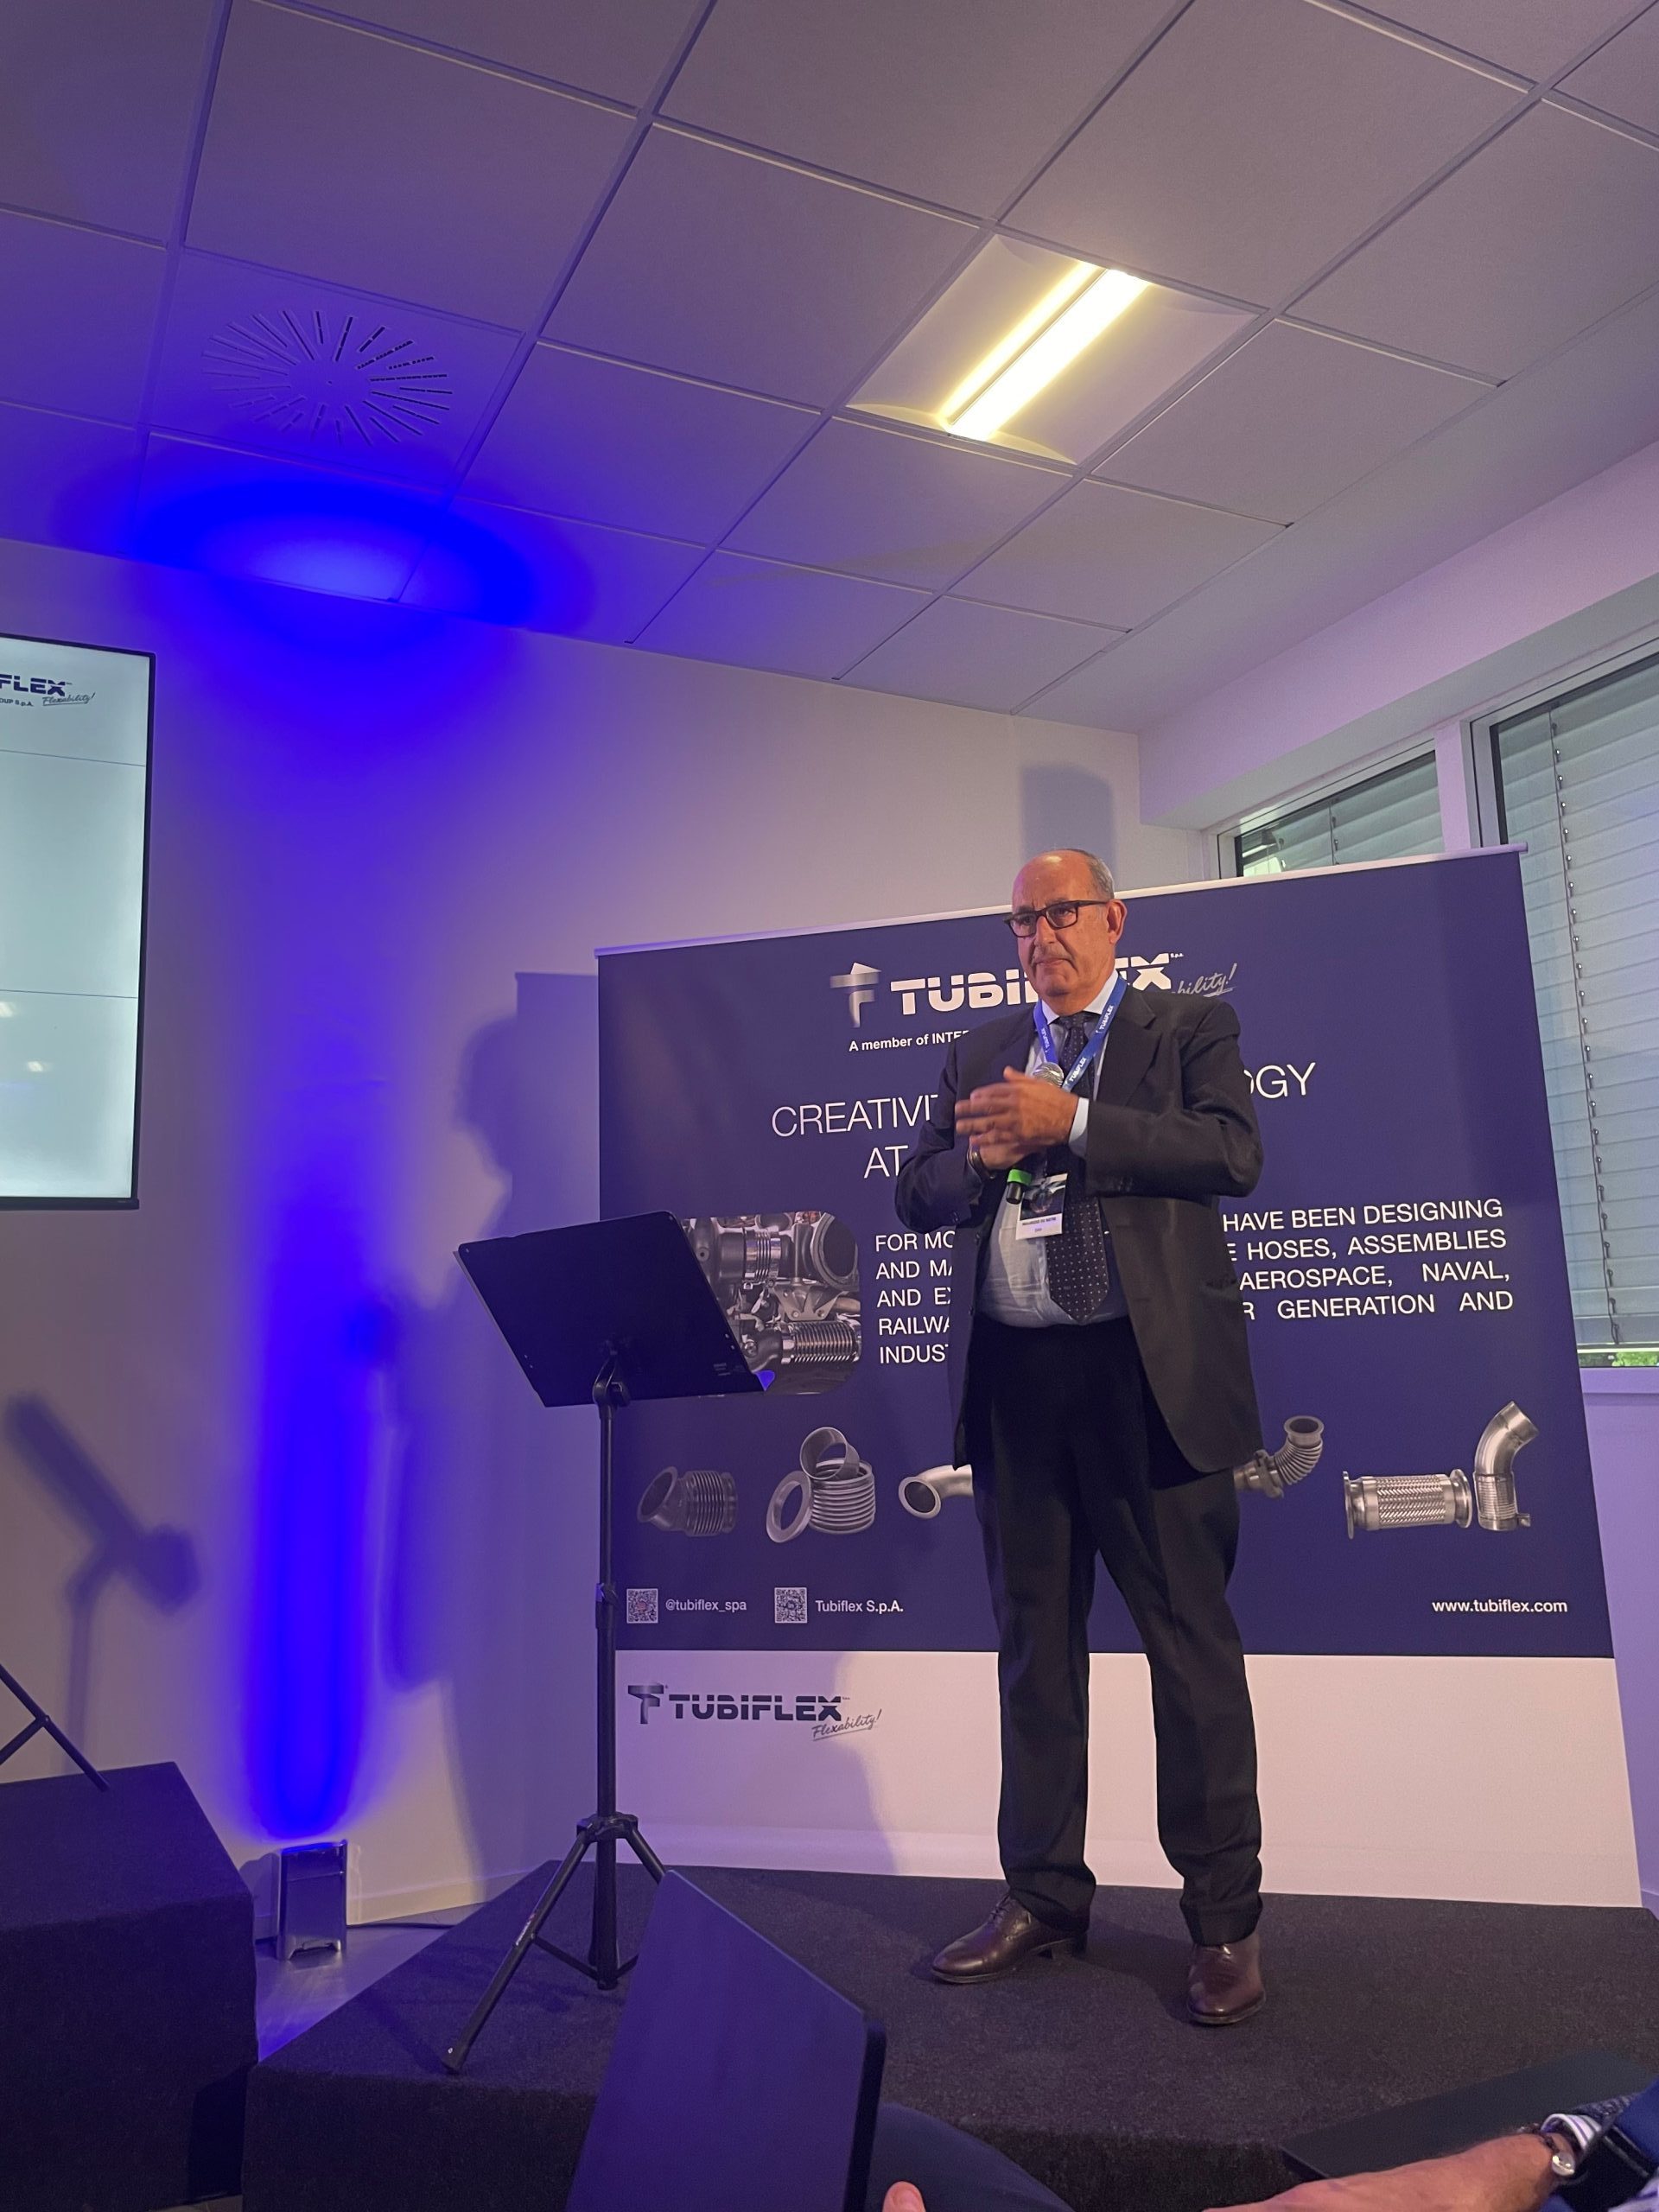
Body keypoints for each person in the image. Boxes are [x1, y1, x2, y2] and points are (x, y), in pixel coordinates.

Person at [895, 849, 1268, 2024]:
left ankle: (1223, 1924)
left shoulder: (1187, 1027)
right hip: (1019, 1385)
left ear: (1114, 921)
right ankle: (1043, 1897)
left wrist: (1080, 1122)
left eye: (1062, 913)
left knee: (1189, 1658)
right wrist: (980, 1160)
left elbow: (1231, 1153)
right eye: (1022, 920)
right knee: (1035, 1656)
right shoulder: (977, 1051)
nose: (1041, 936)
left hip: (1145, 1383)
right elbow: (914, 1192)